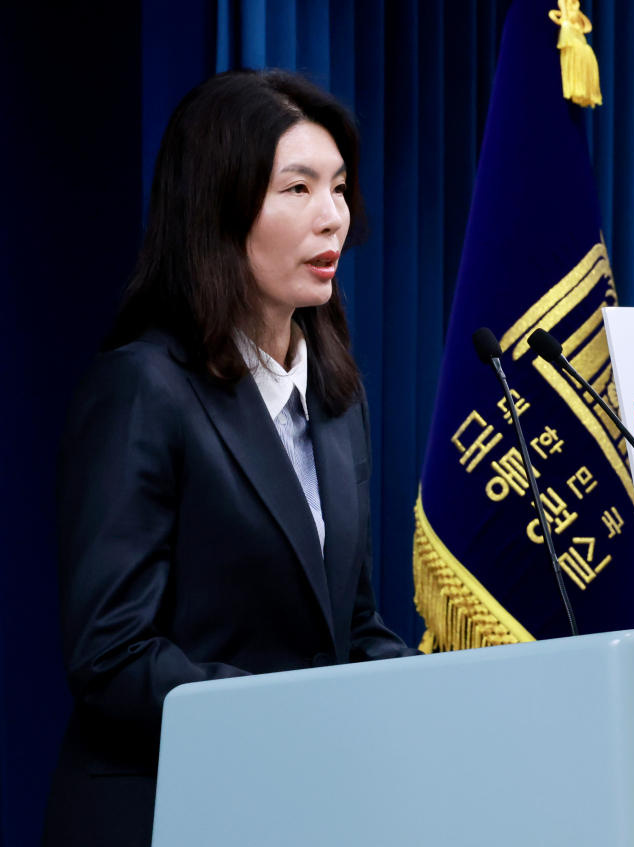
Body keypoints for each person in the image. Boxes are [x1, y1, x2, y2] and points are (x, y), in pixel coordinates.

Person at [43, 69, 419, 846]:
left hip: (302, 808)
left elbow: (348, 623)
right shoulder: (143, 386)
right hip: (165, 809)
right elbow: (113, 655)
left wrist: (443, 692)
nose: (333, 219)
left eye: (340, 188)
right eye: (298, 189)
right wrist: (293, 713)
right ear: (218, 206)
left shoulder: (339, 398)